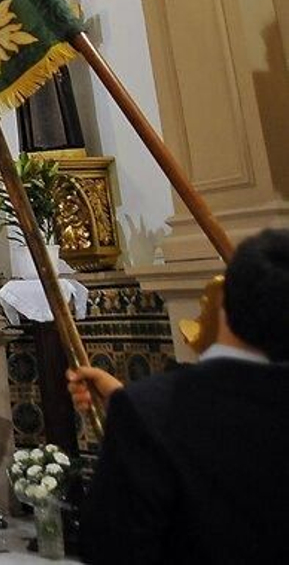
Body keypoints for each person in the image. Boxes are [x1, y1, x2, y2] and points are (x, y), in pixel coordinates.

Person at [67, 227, 289, 565]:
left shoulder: (148, 412)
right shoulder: (144, 410)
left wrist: (138, 412)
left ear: (222, 304)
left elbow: (110, 546)